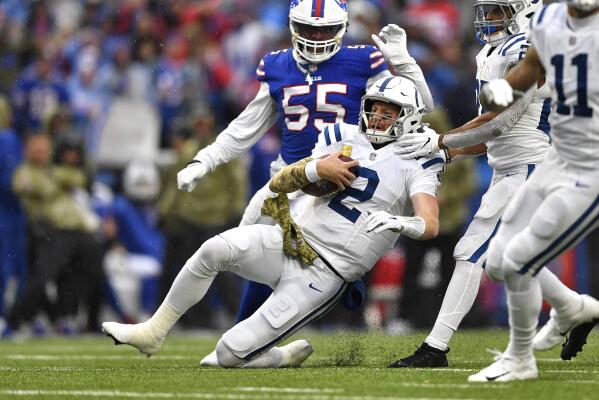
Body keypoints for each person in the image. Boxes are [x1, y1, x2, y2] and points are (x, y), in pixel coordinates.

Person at [101, 76, 444, 368]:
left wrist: (400, 222)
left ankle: (277, 355)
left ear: (409, 117)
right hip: (289, 239)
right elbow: (288, 181)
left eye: (388, 112)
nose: (377, 117)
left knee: (228, 354)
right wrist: (316, 168)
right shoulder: (342, 133)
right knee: (214, 249)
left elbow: (429, 224)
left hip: (326, 272)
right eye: (373, 108)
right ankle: (153, 331)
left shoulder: (417, 159)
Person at [176, 0, 433, 364]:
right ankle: (246, 339)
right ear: (293, 25)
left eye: (325, 29)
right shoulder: (278, 65)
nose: (316, 37)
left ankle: (265, 330)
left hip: (340, 178)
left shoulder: (364, 60)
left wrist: (405, 63)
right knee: (245, 248)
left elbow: (417, 106)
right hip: (288, 176)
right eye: (309, 28)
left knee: (303, 257)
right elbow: (245, 127)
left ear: (341, 28)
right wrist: (205, 159)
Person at [389, 0, 598, 368]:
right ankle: (576, 308)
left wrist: (441, 141)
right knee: (507, 259)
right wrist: (450, 151)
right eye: (486, 10)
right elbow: (492, 136)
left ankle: (435, 348)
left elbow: (501, 122)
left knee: (471, 252)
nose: (489, 18)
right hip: (511, 167)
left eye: (499, 11)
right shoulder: (491, 52)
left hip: (533, 167)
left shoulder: (526, 47)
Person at [467, 0, 599, 382]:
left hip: (589, 168)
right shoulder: (549, 19)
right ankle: (574, 309)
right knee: (497, 260)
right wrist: (494, 96)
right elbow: (529, 71)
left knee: (520, 258)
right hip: (559, 156)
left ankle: (519, 358)